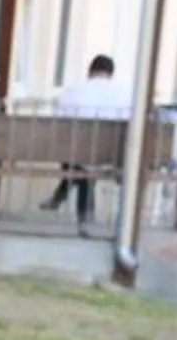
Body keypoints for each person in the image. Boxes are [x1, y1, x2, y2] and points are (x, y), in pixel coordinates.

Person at [45, 53, 132, 234]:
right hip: (112, 156)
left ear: (90, 71)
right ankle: (77, 212)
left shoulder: (72, 91)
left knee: (81, 165)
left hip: (76, 156)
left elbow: (59, 121)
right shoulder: (126, 94)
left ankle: (73, 209)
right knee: (88, 165)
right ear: (111, 73)